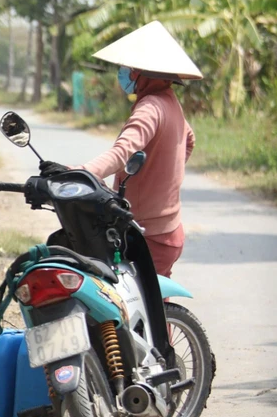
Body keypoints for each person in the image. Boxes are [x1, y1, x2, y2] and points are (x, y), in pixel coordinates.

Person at [69, 21, 202, 277]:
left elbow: (123, 152)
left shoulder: (150, 107)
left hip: (148, 235)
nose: (125, 73)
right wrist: (162, 177)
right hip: (167, 228)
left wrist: (83, 172)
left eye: (129, 68)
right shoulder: (170, 102)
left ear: (142, 72)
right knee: (156, 309)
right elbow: (189, 140)